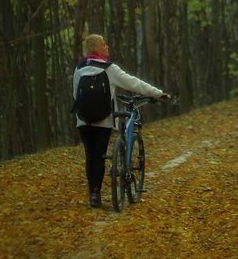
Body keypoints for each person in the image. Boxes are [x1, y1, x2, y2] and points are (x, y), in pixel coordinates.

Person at [72, 33, 169, 208]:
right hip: (103, 120)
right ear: (97, 48)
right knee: (100, 155)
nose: (107, 46)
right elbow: (134, 83)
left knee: (90, 155)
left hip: (83, 121)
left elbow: (75, 95)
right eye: (104, 44)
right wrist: (158, 93)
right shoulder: (109, 69)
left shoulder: (79, 69)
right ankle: (96, 193)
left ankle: (94, 195)